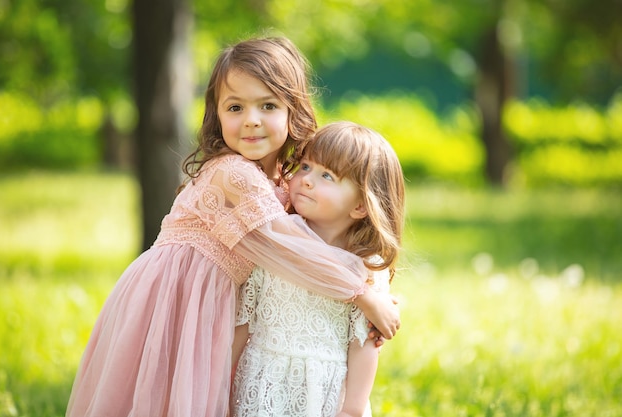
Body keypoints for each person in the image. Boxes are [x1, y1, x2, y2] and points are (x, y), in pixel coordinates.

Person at [66, 37, 400, 417]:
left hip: (212, 303)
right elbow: (291, 249)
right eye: (235, 107)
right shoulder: (232, 173)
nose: (251, 120)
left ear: (294, 111)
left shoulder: (288, 182)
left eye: (268, 105)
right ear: (217, 115)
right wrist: (363, 294)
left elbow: (324, 242)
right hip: (176, 297)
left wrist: (376, 292)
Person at [230, 121, 406, 417]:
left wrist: (352, 409)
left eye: (327, 175)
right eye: (306, 167)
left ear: (360, 207)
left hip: (322, 390)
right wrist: (223, 385)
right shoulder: (279, 237)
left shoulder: (364, 266)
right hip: (263, 380)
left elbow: (364, 343)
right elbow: (243, 320)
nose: (307, 180)